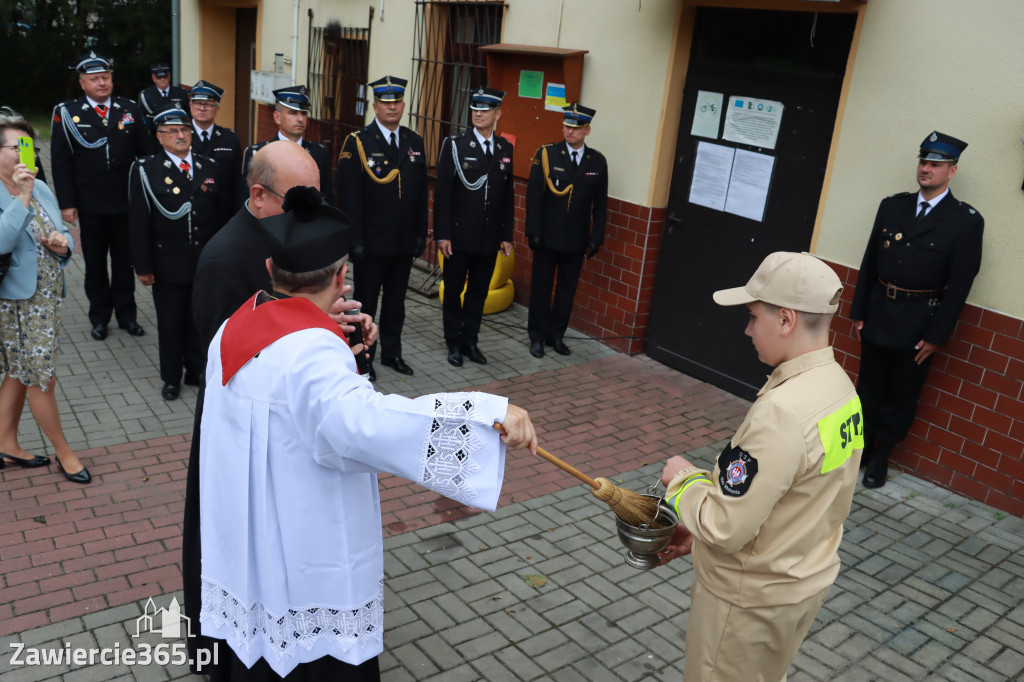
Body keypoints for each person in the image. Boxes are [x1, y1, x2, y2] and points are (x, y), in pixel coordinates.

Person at [196, 188, 536, 680]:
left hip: (245, 541)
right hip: (303, 552)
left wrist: (331, 336)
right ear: (341, 276)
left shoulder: (233, 327)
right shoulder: (311, 355)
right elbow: (366, 425)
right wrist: (488, 416)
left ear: (271, 269)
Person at [182, 142, 375, 673]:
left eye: (317, 195)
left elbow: (319, 317)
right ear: (259, 194)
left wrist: (351, 338)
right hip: (247, 438)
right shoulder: (225, 256)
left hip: (295, 431)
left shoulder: (296, 235)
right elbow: (225, 358)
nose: (312, 209)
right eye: (301, 197)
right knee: (253, 552)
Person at [659, 251, 863, 682]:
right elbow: (798, 499)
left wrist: (683, 480)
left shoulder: (782, 412)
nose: (748, 329)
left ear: (786, 320)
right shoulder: (841, 389)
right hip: (800, 585)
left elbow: (728, 527)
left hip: (746, 602)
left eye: (754, 316)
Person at [851, 131, 984, 489]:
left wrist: (936, 336)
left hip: (918, 321)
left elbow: (960, 287)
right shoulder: (892, 206)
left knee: (902, 393)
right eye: (923, 161)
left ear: (951, 171)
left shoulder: (965, 221)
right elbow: (869, 261)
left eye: (935, 164)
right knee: (869, 388)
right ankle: (861, 451)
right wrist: (859, 310)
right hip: (879, 312)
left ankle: (881, 457)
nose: (926, 169)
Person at [0, 108, 88, 483]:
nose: (25, 153)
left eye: (28, 145)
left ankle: (6, 445)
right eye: (15, 145)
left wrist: (61, 245)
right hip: (16, 302)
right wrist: (20, 196)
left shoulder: (41, 185)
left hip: (46, 299)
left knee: (19, 374)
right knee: (41, 379)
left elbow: (65, 233)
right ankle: (65, 453)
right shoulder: (19, 191)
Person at [129, 104, 231, 401]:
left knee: (200, 320)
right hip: (167, 263)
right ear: (159, 137)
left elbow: (222, 218)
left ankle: (197, 370)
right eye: (172, 131)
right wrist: (143, 266)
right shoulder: (146, 170)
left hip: (204, 262)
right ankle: (171, 378)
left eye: (185, 129)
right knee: (171, 323)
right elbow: (138, 221)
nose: (180, 135)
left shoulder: (210, 166)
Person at [50, 50, 153, 341]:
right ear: (82, 83)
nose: (102, 83)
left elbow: (146, 154)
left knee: (124, 262)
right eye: (94, 79)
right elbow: (60, 161)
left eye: (105, 78)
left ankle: (127, 316)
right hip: (90, 204)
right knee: (94, 265)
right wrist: (67, 204)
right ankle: (99, 318)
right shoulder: (67, 112)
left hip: (126, 202)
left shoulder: (129, 109)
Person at [336, 75, 428, 380]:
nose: (392, 107)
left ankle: (392, 354)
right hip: (372, 244)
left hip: (402, 243)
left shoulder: (414, 142)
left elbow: (419, 194)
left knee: (396, 305)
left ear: (403, 105)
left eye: (397, 102)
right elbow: (350, 196)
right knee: (366, 306)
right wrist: (354, 241)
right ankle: (364, 360)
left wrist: (420, 233)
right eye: (386, 103)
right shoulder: (359, 142)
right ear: (375, 106)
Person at [433, 87, 514, 367]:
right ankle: (453, 343)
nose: (478, 113)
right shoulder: (455, 145)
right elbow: (443, 193)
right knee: (454, 291)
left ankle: (470, 342)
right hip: (458, 236)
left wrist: (507, 236)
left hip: (489, 237)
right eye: (475, 109)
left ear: (497, 113)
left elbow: (509, 195)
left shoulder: (505, 148)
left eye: (485, 109)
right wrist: (443, 234)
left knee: (478, 293)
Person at [525, 103, 607, 358]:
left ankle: (556, 336)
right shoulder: (547, 154)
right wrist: (533, 231)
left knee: (566, 290)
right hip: (547, 237)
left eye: (576, 128)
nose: (570, 132)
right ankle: (537, 337)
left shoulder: (598, 161)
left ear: (587, 130)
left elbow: (601, 204)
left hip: (575, 239)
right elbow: (534, 196)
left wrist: (596, 238)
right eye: (566, 126)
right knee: (541, 288)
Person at [240, 86, 333, 206]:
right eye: (293, 113)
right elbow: (247, 201)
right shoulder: (258, 153)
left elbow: (326, 200)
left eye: (304, 113)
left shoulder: (319, 154)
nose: (300, 119)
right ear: (277, 117)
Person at [188, 80, 243, 207]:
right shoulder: (179, 137)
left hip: (222, 210)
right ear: (190, 105)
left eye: (208, 104)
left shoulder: (230, 139)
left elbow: (238, 182)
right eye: (198, 103)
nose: (202, 108)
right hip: (190, 211)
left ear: (217, 109)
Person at [137, 62, 189, 127]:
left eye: (165, 76)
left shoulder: (181, 92)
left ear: (169, 76)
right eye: (158, 77)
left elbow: (188, 113)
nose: (162, 79)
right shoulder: (145, 95)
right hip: (156, 131)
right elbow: (143, 117)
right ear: (153, 78)